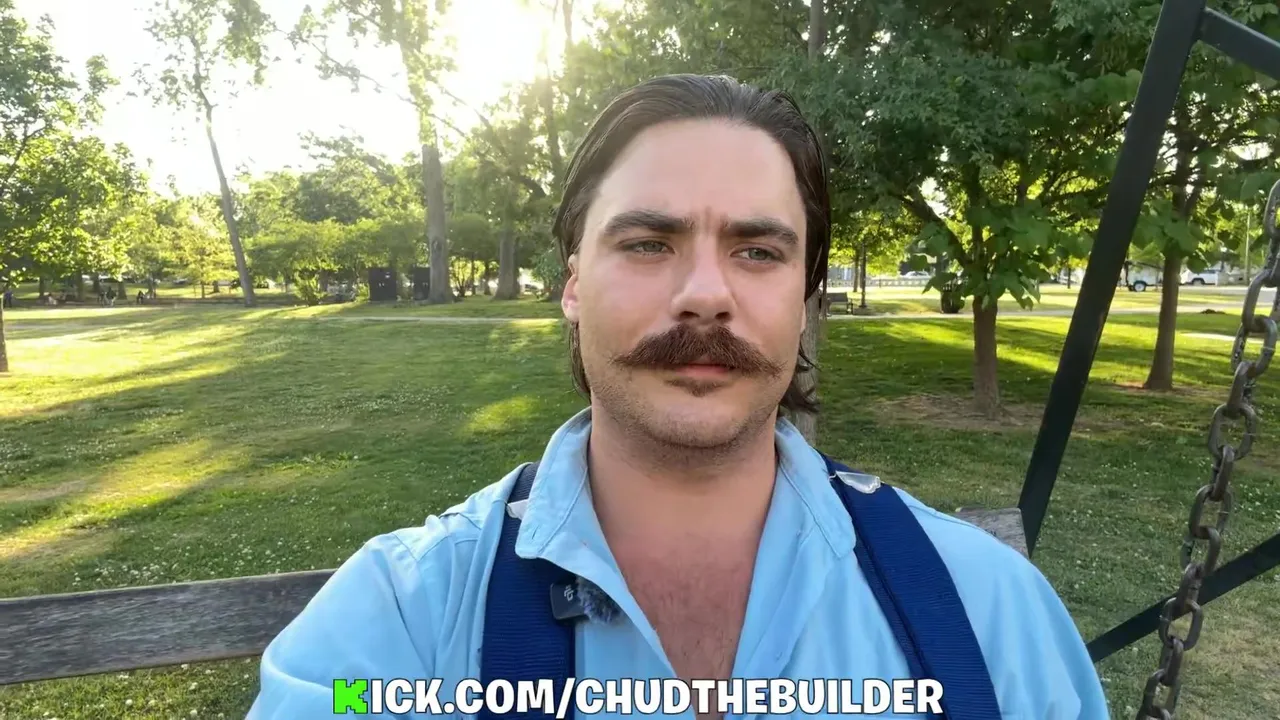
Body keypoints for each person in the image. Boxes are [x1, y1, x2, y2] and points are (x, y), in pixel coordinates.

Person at [248, 75, 1108, 719]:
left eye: (758, 252)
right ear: (573, 284)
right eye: (649, 243)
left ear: (804, 298)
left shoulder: (990, 618)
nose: (705, 294)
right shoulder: (395, 628)